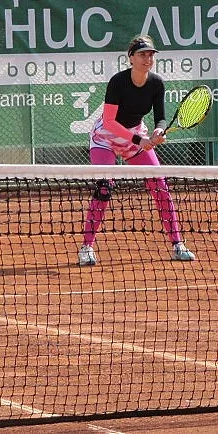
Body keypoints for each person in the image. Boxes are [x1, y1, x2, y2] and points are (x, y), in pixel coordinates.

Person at [78, 34, 195, 266]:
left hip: (137, 137)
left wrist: (158, 132)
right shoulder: (117, 82)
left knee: (159, 186)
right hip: (105, 138)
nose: (147, 59)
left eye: (150, 54)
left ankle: (178, 244)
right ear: (130, 58)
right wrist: (138, 139)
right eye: (142, 54)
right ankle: (86, 248)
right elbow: (110, 122)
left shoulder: (156, 83)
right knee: (104, 189)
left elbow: (161, 118)